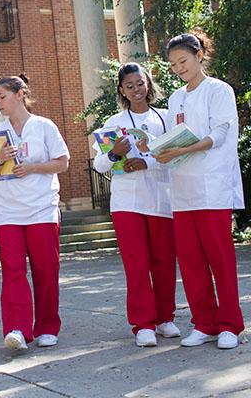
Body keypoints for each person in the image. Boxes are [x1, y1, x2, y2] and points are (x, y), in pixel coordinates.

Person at [155, 32, 245, 349]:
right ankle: (204, 323)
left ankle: (230, 325)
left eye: (183, 61)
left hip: (212, 186)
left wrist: (182, 150)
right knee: (191, 262)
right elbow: (172, 135)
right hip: (182, 189)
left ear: (199, 55)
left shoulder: (218, 90)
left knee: (220, 259)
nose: (179, 68)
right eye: (173, 64)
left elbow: (220, 134)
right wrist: (160, 149)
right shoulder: (175, 97)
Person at [93, 62, 179, 347]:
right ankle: (143, 324)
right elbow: (100, 163)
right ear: (122, 90)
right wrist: (117, 155)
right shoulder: (113, 123)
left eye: (140, 83)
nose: (136, 90)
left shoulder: (165, 118)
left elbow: (177, 157)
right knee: (137, 264)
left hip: (161, 201)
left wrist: (148, 161)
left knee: (164, 262)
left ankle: (165, 318)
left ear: (148, 83)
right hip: (127, 203)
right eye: (129, 86)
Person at [0, 74, 69, 350]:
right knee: (13, 271)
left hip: (41, 209)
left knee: (45, 270)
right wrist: (0, 159)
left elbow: (62, 162)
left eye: (3, 97)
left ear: (20, 94)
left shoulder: (44, 126)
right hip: (8, 213)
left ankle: (46, 327)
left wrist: (31, 168)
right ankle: (17, 329)